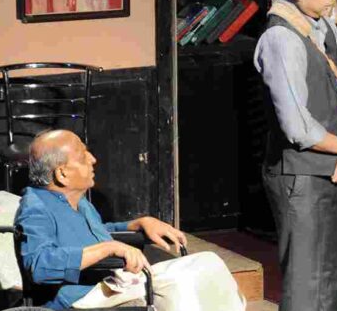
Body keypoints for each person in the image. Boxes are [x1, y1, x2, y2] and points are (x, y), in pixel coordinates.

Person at [15, 129, 246, 310]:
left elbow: (92, 232)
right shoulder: (36, 208)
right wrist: (109, 248)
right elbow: (39, 265)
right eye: (83, 156)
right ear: (62, 173)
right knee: (179, 283)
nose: (93, 159)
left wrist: (137, 224)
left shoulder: (78, 200)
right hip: (82, 296)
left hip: (112, 282)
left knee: (207, 262)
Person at [254, 0, 337, 311]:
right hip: (298, 175)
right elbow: (296, 126)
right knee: (306, 283)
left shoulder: (324, 27)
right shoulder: (281, 38)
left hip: (328, 167)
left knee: (328, 277)